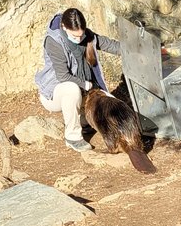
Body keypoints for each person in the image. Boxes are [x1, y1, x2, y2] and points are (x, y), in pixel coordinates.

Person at [34, 8, 121, 154]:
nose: (79, 39)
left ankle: (84, 121)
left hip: (84, 90)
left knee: (111, 106)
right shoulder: (54, 41)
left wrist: (137, 49)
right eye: (75, 36)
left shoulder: (85, 35)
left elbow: (110, 45)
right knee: (72, 89)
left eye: (81, 35)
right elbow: (63, 76)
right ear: (64, 27)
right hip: (55, 94)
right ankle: (72, 137)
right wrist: (85, 84)